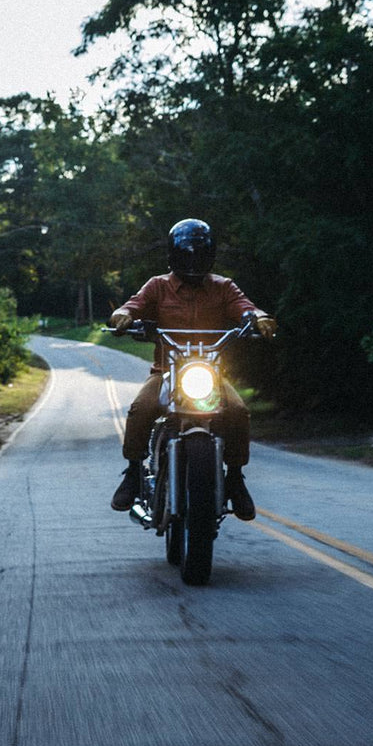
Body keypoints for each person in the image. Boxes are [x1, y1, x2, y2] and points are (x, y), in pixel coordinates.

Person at [110, 218, 276, 520]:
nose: (193, 261)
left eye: (199, 254)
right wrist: (122, 316)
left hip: (209, 374)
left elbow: (245, 307)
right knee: (141, 407)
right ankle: (133, 473)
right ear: (173, 256)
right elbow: (132, 306)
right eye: (186, 254)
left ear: (209, 255)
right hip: (165, 371)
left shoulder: (223, 287)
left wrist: (259, 318)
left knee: (238, 411)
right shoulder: (158, 286)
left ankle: (235, 478)